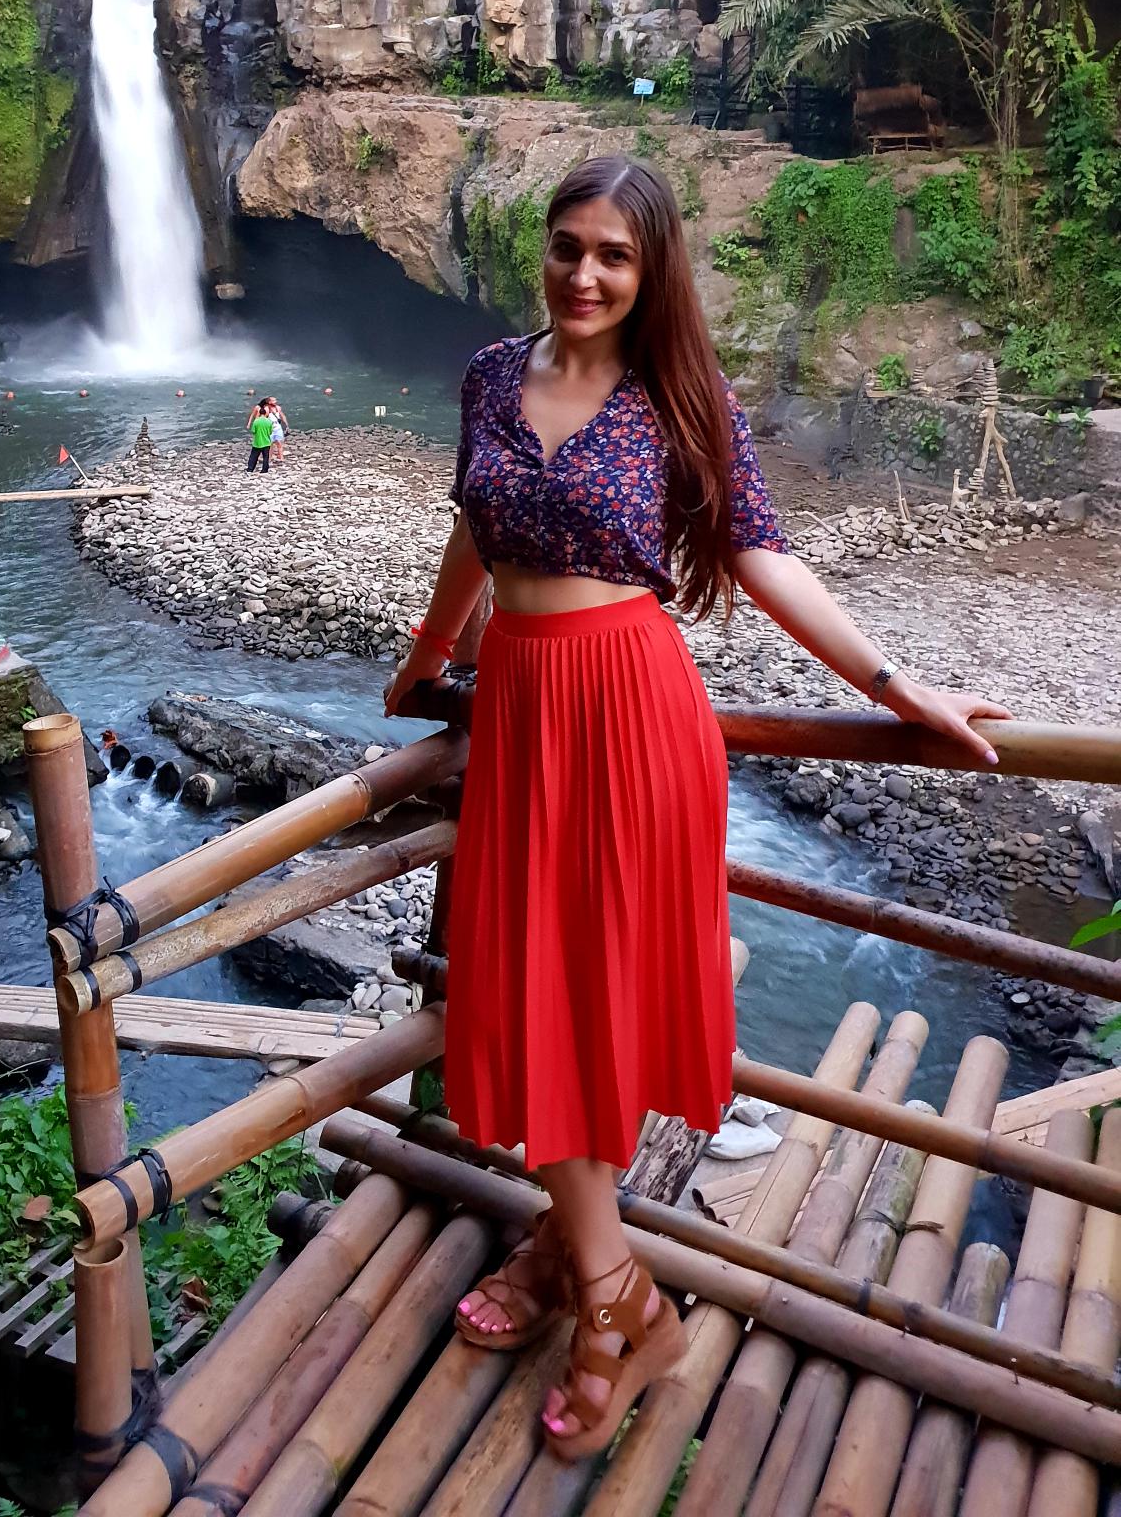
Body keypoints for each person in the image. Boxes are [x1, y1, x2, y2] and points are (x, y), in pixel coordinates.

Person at [383, 155, 1007, 1460]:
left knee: (586, 996)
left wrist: (900, 684)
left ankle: (615, 1304)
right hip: (520, 715)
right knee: (523, 988)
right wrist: (427, 652)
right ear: (542, 251)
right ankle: (588, 1265)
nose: (586, 274)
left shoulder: (683, 400)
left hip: (631, 715)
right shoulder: (491, 377)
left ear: (653, 269)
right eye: (568, 246)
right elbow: (474, 532)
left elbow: (762, 556)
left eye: (615, 254)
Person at [246, 401, 276, 475]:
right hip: (266, 442)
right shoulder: (269, 422)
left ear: (259, 413)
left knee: (253, 457)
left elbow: (253, 431)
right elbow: (270, 432)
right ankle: (264, 470)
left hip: (257, 442)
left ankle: (250, 469)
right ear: (265, 413)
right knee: (266, 457)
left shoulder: (256, 421)